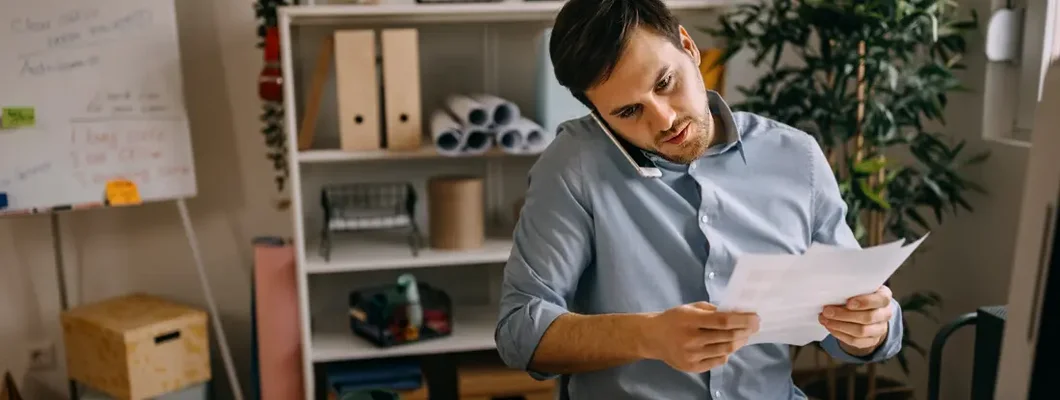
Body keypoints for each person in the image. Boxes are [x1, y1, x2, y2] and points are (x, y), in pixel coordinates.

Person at [493, 0, 904, 398]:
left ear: (689, 47)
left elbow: (852, 319)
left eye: (665, 83)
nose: (664, 119)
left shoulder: (797, 157)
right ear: (598, 115)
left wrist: (869, 329)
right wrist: (647, 336)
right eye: (629, 112)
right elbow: (519, 333)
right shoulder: (574, 166)